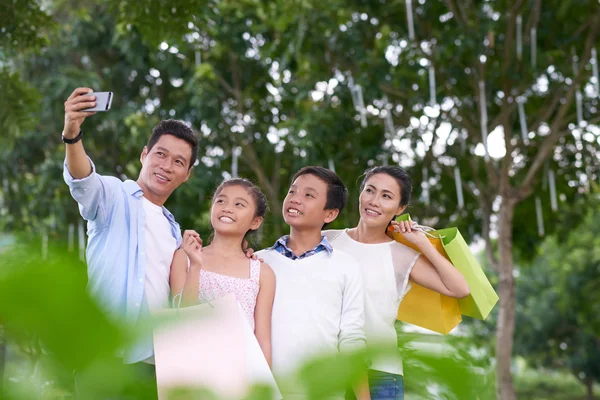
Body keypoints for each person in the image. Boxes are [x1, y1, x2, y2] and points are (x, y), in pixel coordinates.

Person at [62, 88, 198, 394]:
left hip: (154, 363)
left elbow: (179, 296)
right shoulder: (113, 196)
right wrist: (72, 134)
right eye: (160, 154)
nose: (166, 165)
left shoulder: (174, 231)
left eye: (178, 162)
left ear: (187, 174)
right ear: (144, 155)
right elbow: (83, 181)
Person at [324, 165, 471, 400]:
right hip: (327, 367)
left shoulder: (402, 255)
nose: (374, 201)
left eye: (386, 196)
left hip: (380, 374)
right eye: (370, 191)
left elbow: (460, 289)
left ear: (400, 208)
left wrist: (422, 244)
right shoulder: (327, 240)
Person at [256, 166, 370, 400]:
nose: (295, 199)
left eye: (308, 195)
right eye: (292, 191)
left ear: (329, 214)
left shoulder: (346, 267)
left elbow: (352, 338)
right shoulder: (258, 261)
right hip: (264, 390)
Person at [169, 178, 275, 366]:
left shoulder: (262, 273)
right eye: (221, 201)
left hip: (240, 372)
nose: (227, 208)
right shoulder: (184, 257)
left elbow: (262, 339)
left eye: (239, 204)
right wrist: (195, 266)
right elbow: (181, 322)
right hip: (191, 368)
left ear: (256, 222)